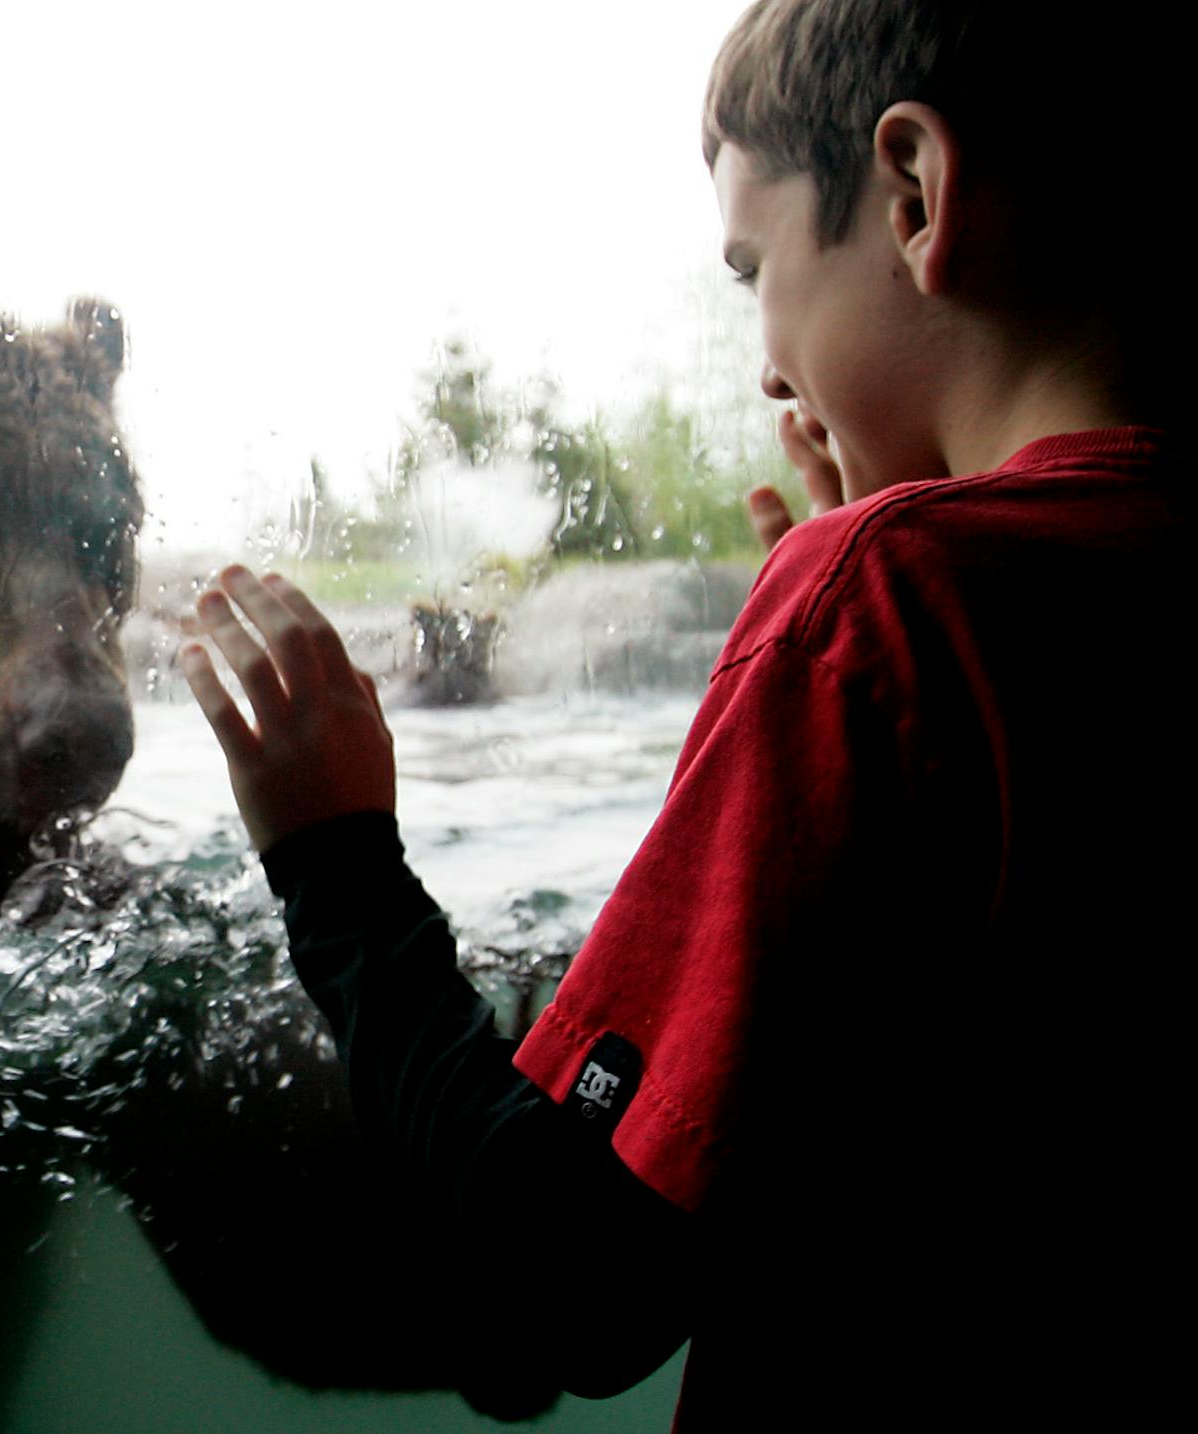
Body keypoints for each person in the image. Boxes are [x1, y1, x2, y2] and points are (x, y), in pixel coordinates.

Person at [180, 1, 1183, 1427]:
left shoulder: (877, 603)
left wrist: (334, 860)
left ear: (913, 190)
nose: (772, 367)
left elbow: (561, 1288)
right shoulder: (938, 598)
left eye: (755, 266)